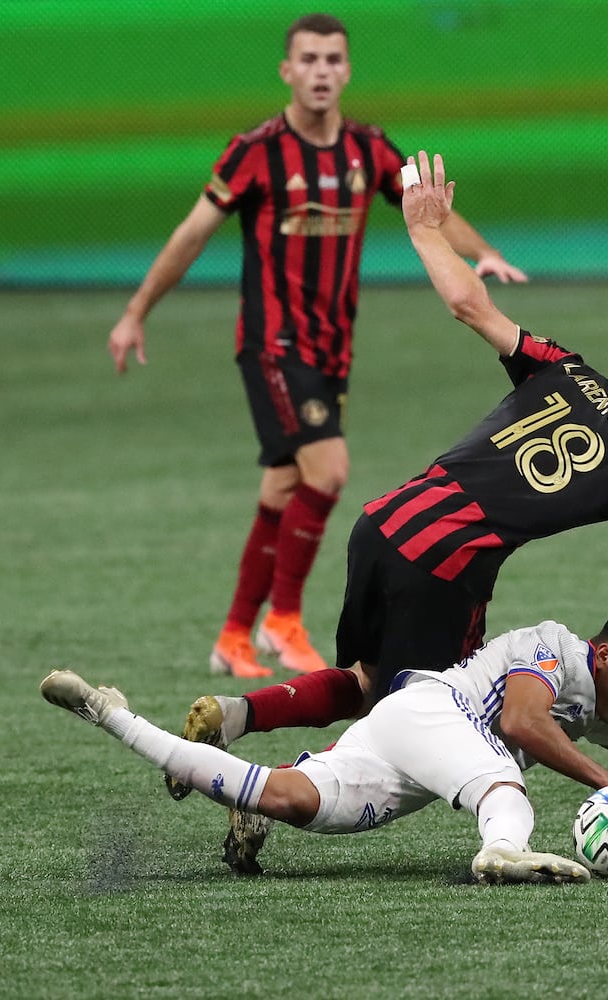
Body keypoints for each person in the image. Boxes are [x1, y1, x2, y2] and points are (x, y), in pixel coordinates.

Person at [163, 149, 608, 777]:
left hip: (383, 524)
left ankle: (238, 716)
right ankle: (267, 792)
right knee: (420, 716)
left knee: (369, 680)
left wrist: (422, 230)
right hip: (446, 566)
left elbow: (469, 303)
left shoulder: (568, 370)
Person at [106, 16, 527, 679]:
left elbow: (429, 206)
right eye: (309, 59)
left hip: (332, 348)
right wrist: (135, 312)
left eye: (333, 58)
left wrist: (485, 253)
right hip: (274, 345)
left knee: (284, 484)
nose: (322, 70)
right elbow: (190, 235)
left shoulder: (368, 148)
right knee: (327, 472)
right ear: (287, 71)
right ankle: (283, 621)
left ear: (347, 70)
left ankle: (233, 636)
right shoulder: (254, 151)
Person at [41, 596, 608, 883]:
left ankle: (112, 715)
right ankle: (501, 850)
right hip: (433, 714)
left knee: (284, 798)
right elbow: (518, 724)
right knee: (506, 785)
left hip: (404, 750)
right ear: (604, 655)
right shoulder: (551, 647)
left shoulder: (597, 701)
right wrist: (603, 787)